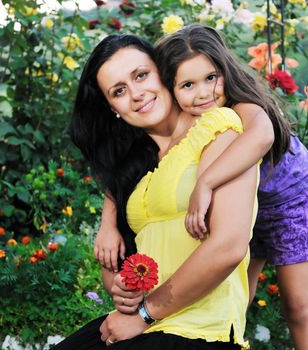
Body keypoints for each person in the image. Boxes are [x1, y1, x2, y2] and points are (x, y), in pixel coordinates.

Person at [94, 25, 308, 349]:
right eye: (188, 84)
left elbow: (262, 137)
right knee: (225, 294)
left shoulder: (238, 106)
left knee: (298, 306)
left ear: (224, 72)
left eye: (210, 78)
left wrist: (205, 183)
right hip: (240, 199)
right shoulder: (177, 125)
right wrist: (108, 223)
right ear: (169, 83)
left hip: (289, 198)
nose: (203, 93)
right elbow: (122, 175)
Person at [54, 33, 259, 349]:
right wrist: (123, 287)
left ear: (164, 72)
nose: (136, 94)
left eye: (141, 75)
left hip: (199, 329)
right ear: (113, 109)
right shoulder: (136, 169)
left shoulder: (216, 125)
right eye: (119, 91)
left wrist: (144, 314)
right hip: (146, 323)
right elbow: (117, 271)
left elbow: (228, 246)